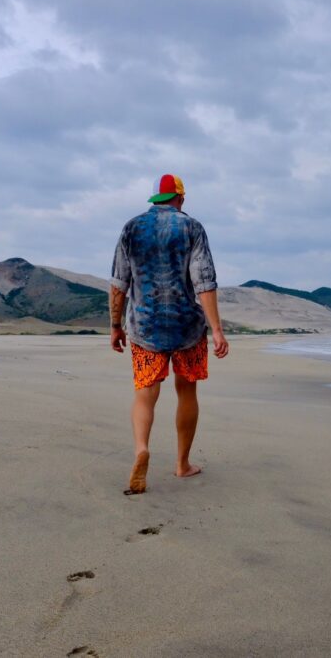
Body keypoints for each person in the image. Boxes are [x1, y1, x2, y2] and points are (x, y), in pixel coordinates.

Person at [109, 173, 229, 495]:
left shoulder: (131, 228)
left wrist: (115, 326)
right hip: (186, 327)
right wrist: (216, 330)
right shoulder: (192, 228)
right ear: (181, 199)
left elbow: (119, 284)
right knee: (186, 392)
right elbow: (204, 282)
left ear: (155, 201)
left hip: (145, 327)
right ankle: (181, 465)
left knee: (145, 394)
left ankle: (141, 450)